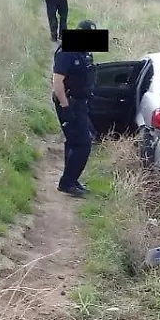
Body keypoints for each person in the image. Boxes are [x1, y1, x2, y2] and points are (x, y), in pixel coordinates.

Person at [51, 19, 98, 198]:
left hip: (79, 102)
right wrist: (65, 106)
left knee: (73, 142)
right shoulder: (67, 51)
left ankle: (71, 180)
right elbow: (57, 82)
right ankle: (67, 182)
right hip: (68, 102)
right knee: (83, 144)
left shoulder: (84, 51)